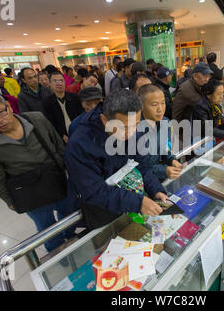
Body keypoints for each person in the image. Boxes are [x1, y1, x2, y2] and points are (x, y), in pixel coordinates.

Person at [0, 89, 77, 253]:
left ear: (8, 107)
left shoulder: (37, 119)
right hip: (29, 193)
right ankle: (58, 254)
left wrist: (71, 174)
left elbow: (59, 146)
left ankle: (70, 239)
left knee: (70, 216)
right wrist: (8, 200)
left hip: (56, 180)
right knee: (46, 229)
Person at [65, 88, 169, 230]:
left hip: (129, 201)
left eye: (136, 125)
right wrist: (138, 203)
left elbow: (143, 166)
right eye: (123, 128)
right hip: (101, 210)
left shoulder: (132, 126)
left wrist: (156, 189)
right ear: (104, 119)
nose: (131, 132)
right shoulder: (80, 144)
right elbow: (94, 191)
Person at [138, 84, 182, 182]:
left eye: (163, 103)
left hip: (160, 179)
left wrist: (172, 160)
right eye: (154, 105)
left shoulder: (165, 122)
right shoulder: (135, 129)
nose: (160, 109)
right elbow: (139, 166)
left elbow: (166, 148)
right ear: (141, 106)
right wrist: (163, 170)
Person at [43, 71, 83, 144]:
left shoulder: (75, 97)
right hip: (61, 137)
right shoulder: (47, 102)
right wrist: (61, 134)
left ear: (65, 83)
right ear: (50, 84)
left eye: (61, 80)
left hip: (79, 133)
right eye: (55, 81)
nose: (59, 83)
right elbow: (51, 122)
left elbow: (81, 115)